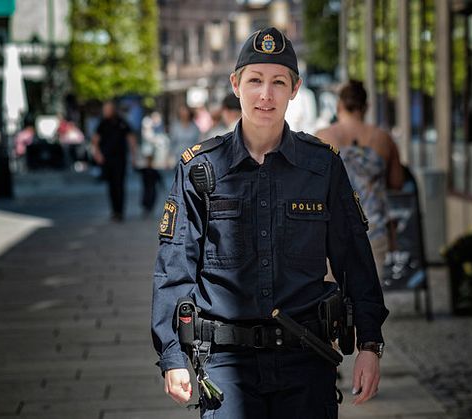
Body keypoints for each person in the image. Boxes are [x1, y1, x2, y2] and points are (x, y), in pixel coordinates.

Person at [151, 27, 388, 419]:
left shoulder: (322, 167)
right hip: (225, 364)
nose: (266, 94)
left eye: (278, 82)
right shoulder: (200, 169)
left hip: (306, 359)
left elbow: (355, 260)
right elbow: (174, 268)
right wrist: (172, 355)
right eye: (255, 80)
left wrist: (369, 344)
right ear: (236, 84)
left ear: (294, 88)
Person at [315, 81, 404, 279]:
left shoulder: (322, 136)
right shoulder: (384, 138)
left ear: (339, 106)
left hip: (332, 229)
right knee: (368, 301)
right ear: (366, 107)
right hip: (373, 228)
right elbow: (396, 183)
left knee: (333, 300)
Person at [91, 101, 138, 222]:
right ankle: (114, 211)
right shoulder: (102, 123)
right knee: (111, 186)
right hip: (107, 159)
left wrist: (134, 156)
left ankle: (120, 211)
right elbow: (95, 139)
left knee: (120, 185)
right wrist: (97, 154)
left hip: (120, 159)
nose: (106, 112)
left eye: (108, 109)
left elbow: (131, 138)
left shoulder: (121, 122)